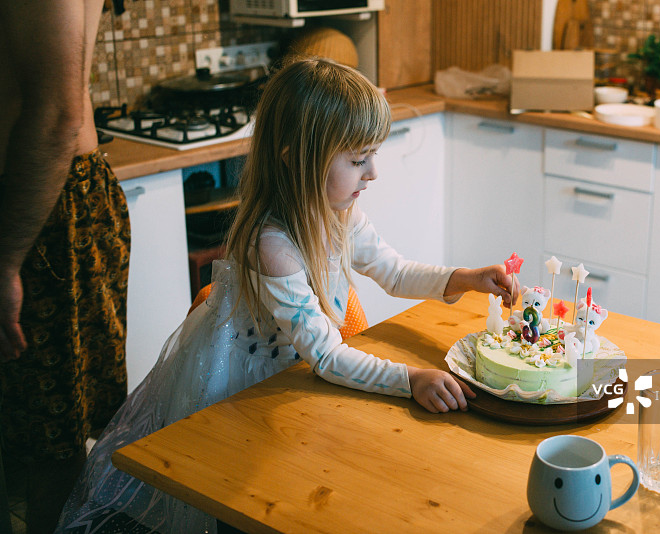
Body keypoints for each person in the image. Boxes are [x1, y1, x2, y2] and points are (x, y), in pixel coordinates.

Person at [57, 57, 516, 533]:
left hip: (291, 374)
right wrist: (411, 378)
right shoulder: (272, 244)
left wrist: (463, 278)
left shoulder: (338, 211)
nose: (373, 173)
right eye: (359, 159)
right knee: (241, 495)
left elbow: (395, 272)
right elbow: (327, 357)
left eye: (371, 156)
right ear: (296, 156)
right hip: (238, 386)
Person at [0, 2, 130, 533]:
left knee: (52, 442)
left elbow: (57, 115)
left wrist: (6, 258)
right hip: (38, 206)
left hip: (35, 210)